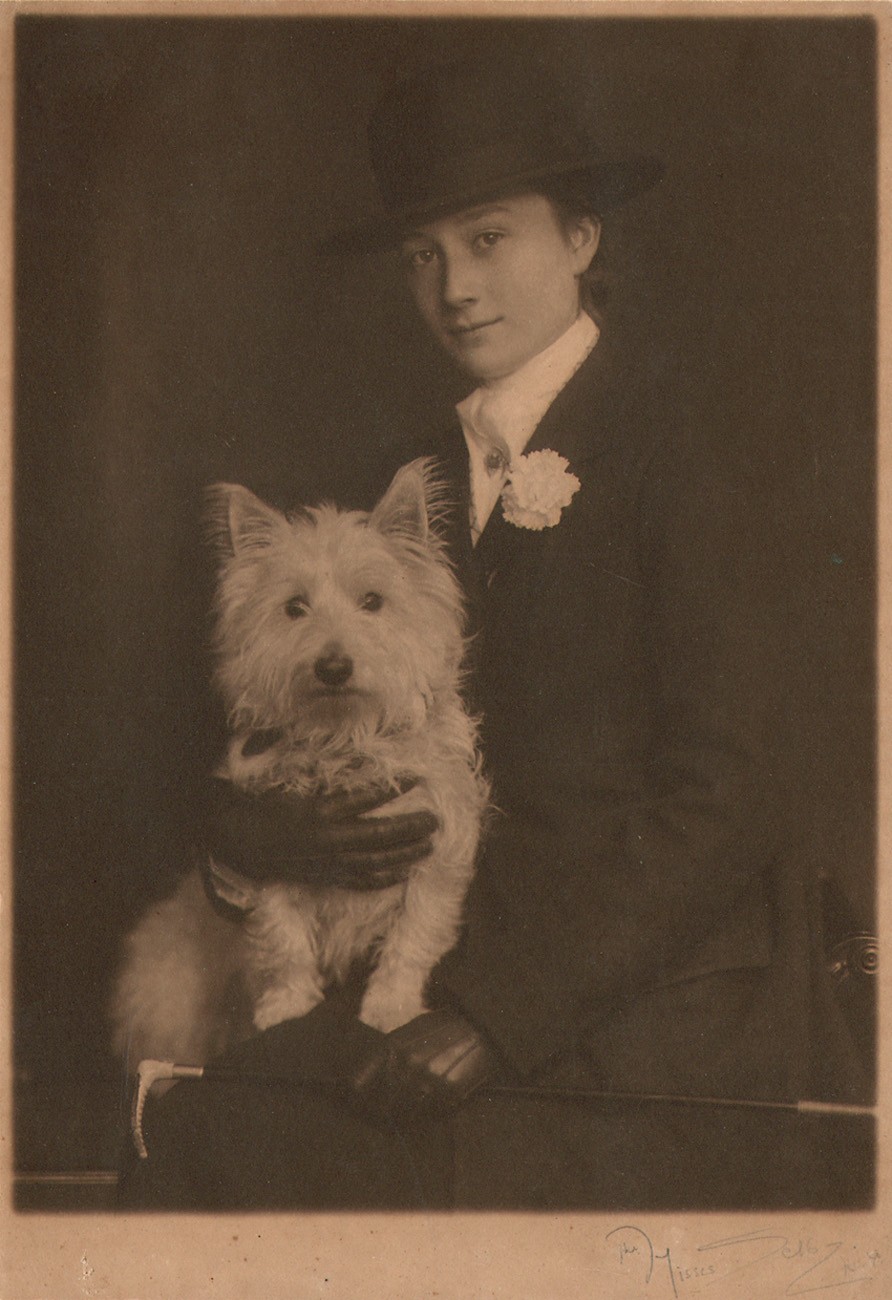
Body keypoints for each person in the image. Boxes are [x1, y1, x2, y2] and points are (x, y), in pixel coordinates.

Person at [118, 58, 868, 1212]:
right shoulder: (412, 475)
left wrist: (493, 1018)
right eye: (423, 255)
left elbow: (737, 791)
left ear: (579, 236)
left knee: (240, 1160)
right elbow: (315, 716)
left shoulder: (690, 447)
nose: (455, 287)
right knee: (188, 1130)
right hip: (427, 990)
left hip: (651, 1033)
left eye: (487, 239)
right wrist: (254, 835)